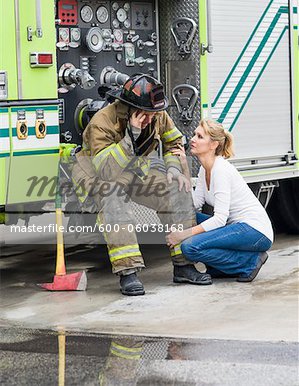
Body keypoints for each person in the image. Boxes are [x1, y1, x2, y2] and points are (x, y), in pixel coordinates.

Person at [72, 74, 212, 296]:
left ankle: (184, 265)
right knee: (113, 196)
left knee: (178, 189)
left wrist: (174, 169)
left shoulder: (156, 113)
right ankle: (128, 272)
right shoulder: (102, 122)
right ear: (128, 108)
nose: (150, 120)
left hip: (135, 169)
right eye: (144, 116)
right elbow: (108, 171)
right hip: (100, 175)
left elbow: (173, 141)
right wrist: (132, 136)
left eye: (153, 115)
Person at [166, 119, 273, 282]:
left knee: (189, 247)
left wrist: (183, 234)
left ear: (213, 144)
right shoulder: (204, 169)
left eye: (200, 136)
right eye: (194, 134)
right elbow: (193, 205)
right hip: (234, 227)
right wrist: (184, 166)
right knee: (188, 216)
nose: (193, 139)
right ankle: (221, 266)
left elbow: (220, 219)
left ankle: (250, 262)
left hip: (255, 231)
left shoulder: (221, 170)